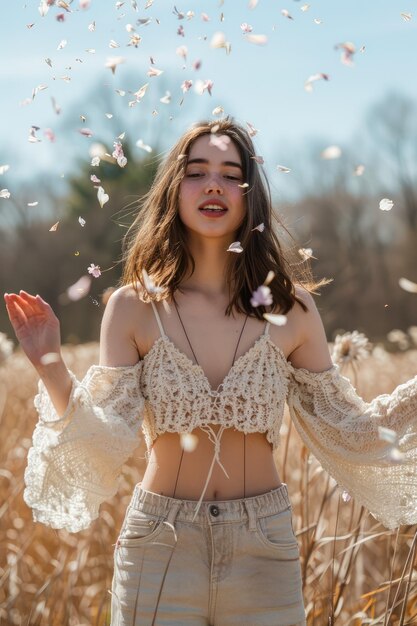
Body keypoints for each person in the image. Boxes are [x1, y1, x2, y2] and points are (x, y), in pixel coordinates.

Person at [4, 118, 417, 626]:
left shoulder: (292, 308)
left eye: (230, 173)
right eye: (196, 172)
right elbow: (105, 435)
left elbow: (351, 433)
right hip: (160, 547)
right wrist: (50, 365)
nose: (214, 184)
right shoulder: (135, 307)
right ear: (175, 191)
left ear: (250, 194)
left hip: (264, 548)